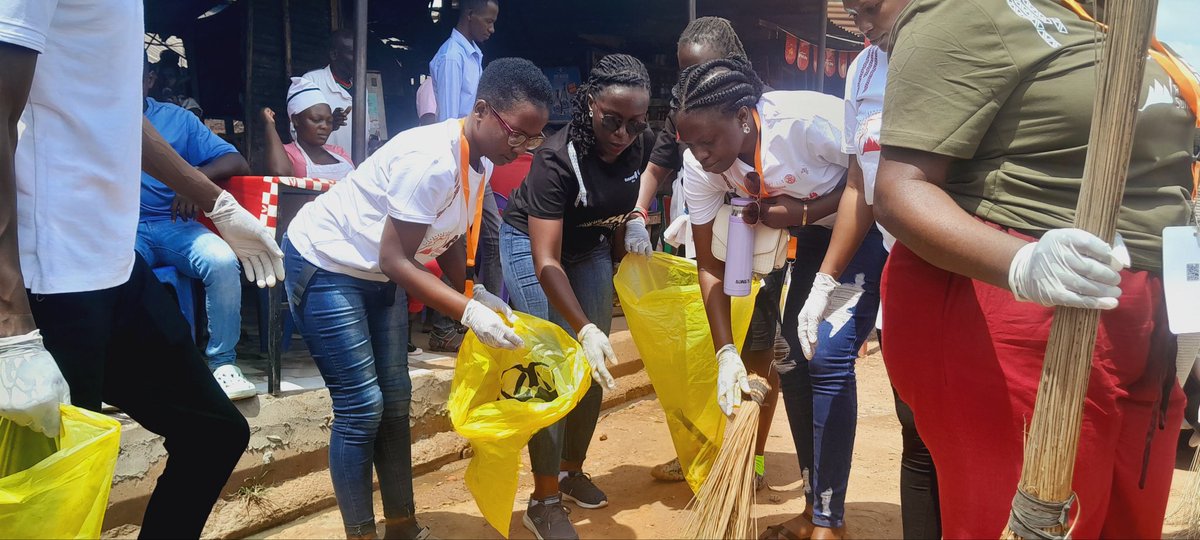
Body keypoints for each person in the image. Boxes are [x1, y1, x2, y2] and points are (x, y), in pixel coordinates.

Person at [873, 0, 1195, 537]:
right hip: (1022, 316)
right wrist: (1023, 264)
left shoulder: (1110, 18)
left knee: (1126, 526)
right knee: (1043, 523)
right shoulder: (969, 11)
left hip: (1146, 328)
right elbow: (899, 191)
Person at [0, 2, 284, 537]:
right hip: (46, 280)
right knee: (56, 501)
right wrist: (11, 324)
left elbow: (114, 112)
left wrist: (217, 203)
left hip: (113, 265)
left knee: (214, 434)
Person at [282, 57, 553, 540]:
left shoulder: (480, 160)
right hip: (328, 261)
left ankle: (402, 525)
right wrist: (467, 312)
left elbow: (446, 232)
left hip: (378, 269)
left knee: (395, 397)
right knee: (361, 405)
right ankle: (361, 534)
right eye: (518, 134)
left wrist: (471, 289)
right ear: (482, 110)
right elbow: (395, 260)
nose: (522, 148)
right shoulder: (432, 160)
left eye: (533, 139)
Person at [672, 58, 874, 540]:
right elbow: (709, 265)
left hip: (868, 227)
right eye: (690, 144)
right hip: (815, 237)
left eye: (708, 141)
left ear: (744, 117)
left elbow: (869, 180)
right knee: (791, 359)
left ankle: (829, 523)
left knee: (827, 356)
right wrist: (726, 352)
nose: (700, 155)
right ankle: (814, 508)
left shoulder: (806, 123)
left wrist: (804, 213)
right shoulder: (700, 167)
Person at [623, 16, 786, 487]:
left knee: (757, 358)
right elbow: (658, 167)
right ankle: (698, 451)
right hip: (707, 244)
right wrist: (638, 213)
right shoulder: (687, 120)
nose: (693, 81)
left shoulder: (761, 118)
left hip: (760, 254)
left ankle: (752, 462)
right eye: (685, 72)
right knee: (705, 357)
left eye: (703, 70)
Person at [499, 53, 652, 540]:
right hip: (532, 246)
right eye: (612, 120)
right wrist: (582, 326)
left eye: (635, 123)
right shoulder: (555, 159)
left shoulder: (639, 143)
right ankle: (542, 501)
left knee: (593, 365)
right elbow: (546, 261)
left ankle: (569, 471)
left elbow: (630, 196)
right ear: (589, 105)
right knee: (551, 364)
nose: (623, 134)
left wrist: (636, 222)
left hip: (588, 249)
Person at [137, 59, 259, 400]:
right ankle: (127, 366)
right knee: (111, 269)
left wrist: (193, 181)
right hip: (123, 228)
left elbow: (236, 161)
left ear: (150, 79)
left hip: (175, 225)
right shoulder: (98, 116)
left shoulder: (177, 119)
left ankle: (223, 363)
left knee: (222, 260)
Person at [429, 0, 504, 353]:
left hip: (478, 165)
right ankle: (446, 325)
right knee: (453, 240)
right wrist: (459, 173)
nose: (492, 28)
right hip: (459, 162)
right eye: (488, 21)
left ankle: (486, 314)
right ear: (469, 15)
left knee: (491, 237)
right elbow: (449, 118)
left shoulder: (473, 56)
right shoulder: (451, 57)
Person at [262, 77, 355, 179]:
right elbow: (280, 173)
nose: (324, 126)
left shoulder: (339, 152)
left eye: (329, 121)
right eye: (316, 120)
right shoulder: (288, 153)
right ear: (295, 120)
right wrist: (270, 126)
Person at [301, 29, 356, 153]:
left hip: (357, 164)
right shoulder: (311, 82)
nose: (359, 58)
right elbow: (297, 130)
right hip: (323, 163)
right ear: (334, 55)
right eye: (352, 53)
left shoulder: (362, 89)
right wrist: (330, 124)